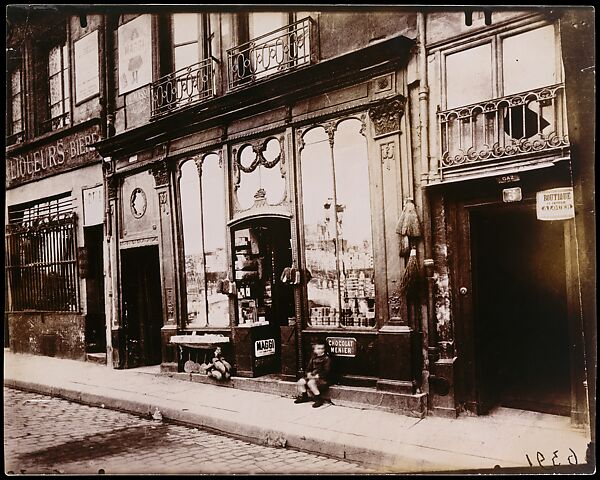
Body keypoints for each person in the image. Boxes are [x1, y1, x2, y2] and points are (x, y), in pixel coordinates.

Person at [294, 340, 332, 408]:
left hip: (322, 378)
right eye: (318, 348)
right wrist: (308, 373)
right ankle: (304, 396)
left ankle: (318, 398)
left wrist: (318, 375)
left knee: (311, 383)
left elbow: (327, 371)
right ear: (314, 350)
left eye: (322, 348)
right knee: (300, 382)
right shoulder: (313, 358)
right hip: (312, 376)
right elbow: (308, 368)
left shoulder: (326, 358)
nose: (320, 350)